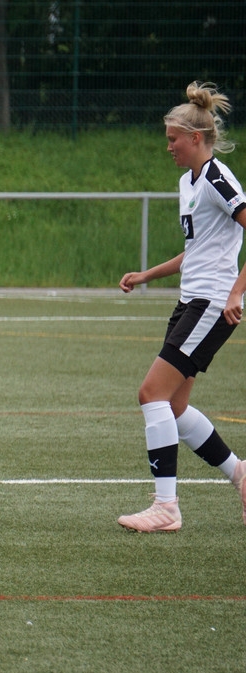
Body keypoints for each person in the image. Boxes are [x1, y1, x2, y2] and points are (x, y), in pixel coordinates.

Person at [117, 81, 246, 533]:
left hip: (211, 303)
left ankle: (166, 506)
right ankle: (240, 473)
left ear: (196, 138)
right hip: (192, 299)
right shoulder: (187, 182)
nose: (168, 146)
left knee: (151, 393)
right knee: (172, 407)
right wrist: (146, 274)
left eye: (173, 139)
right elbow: (198, 250)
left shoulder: (216, 176)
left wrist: (236, 293)